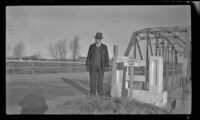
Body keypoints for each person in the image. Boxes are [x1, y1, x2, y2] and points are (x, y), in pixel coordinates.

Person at [86, 32, 109, 97]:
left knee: (100, 81)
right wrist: (87, 65)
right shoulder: (91, 47)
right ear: (95, 39)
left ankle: (100, 94)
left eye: (99, 39)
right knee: (92, 81)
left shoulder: (105, 47)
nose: (97, 40)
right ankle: (93, 94)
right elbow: (88, 56)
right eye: (96, 38)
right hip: (93, 66)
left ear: (101, 39)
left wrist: (107, 65)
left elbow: (107, 57)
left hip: (101, 67)